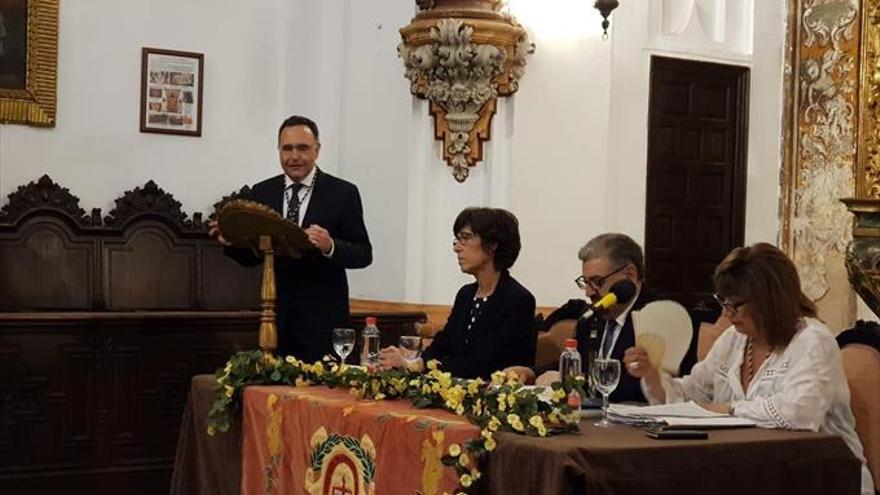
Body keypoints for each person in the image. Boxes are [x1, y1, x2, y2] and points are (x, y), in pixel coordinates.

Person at [624, 243, 874, 494]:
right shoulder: (735, 338)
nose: (727, 314)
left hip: (821, 478)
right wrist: (652, 375)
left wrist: (726, 409)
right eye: (723, 302)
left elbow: (800, 413)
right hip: (754, 472)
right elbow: (693, 393)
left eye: (736, 305)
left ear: (770, 300)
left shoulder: (812, 339)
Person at [209, 115, 372, 362]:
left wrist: (330, 246)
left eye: (302, 148)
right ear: (279, 150)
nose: (294, 156)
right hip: (276, 319)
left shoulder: (343, 193)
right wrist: (233, 241)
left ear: (317, 150)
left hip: (324, 322)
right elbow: (254, 256)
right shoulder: (262, 192)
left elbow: (363, 254)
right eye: (287, 148)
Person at [378, 207, 536, 379]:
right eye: (456, 240)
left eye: (465, 238)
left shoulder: (518, 300)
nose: (457, 248)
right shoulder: (466, 294)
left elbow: (486, 364)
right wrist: (408, 359)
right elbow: (442, 346)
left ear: (493, 244)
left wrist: (416, 365)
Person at [508, 233, 656, 402]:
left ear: (629, 274)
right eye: (585, 282)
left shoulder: (659, 317)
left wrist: (569, 382)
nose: (589, 292)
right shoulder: (593, 317)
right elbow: (581, 367)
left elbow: (638, 388)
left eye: (597, 281)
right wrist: (532, 373)